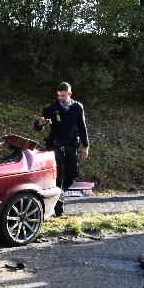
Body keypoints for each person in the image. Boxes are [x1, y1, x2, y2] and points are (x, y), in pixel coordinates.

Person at [33, 82, 90, 216]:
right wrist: (39, 124)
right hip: (56, 146)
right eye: (58, 95)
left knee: (73, 175)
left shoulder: (77, 107)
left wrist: (86, 146)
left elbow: (82, 127)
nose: (60, 98)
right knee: (59, 177)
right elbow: (38, 126)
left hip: (71, 145)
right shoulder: (51, 107)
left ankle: (58, 195)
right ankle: (59, 210)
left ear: (70, 94)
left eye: (63, 95)